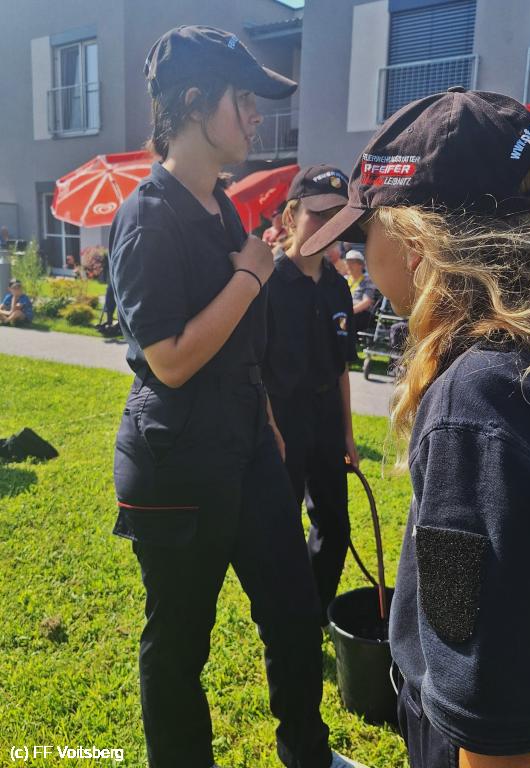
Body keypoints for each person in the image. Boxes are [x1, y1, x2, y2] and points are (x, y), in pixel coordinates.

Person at [109, 25, 367, 768]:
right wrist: (252, 275)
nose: (257, 116)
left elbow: (241, 348)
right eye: (243, 100)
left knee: (292, 609)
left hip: (250, 444)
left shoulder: (221, 207)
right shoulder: (147, 217)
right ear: (195, 103)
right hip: (176, 461)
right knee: (179, 644)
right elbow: (170, 360)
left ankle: (307, 753)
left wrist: (267, 419)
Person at [301, 87, 530, 768]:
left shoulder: (477, 406)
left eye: (365, 229)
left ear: (412, 236)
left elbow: (503, 723)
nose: (358, 254)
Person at [263, 164, 358, 623]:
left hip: (326, 417)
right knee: (279, 526)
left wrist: (348, 434)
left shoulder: (340, 288)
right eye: (318, 214)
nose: (327, 226)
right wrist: (270, 428)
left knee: (335, 524)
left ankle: (314, 613)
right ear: (290, 216)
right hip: (282, 417)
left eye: (337, 216)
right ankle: (282, 615)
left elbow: (342, 367)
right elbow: (255, 367)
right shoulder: (267, 283)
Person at [345, 250, 377, 333]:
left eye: (352, 263)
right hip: (345, 312)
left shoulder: (367, 280)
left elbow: (367, 302)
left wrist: (349, 312)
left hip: (362, 314)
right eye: (347, 262)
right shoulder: (344, 279)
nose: (348, 265)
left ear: (361, 265)